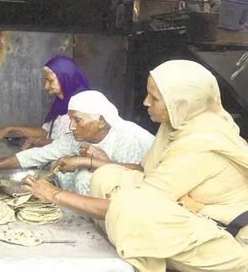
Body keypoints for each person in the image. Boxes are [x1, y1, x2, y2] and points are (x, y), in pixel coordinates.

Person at [21, 60, 248, 271]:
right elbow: (143, 172)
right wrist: (87, 162)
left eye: (154, 98)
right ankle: (129, 242)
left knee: (131, 207)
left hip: (228, 239)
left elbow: (140, 204)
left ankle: (143, 253)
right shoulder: (176, 125)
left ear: (181, 103)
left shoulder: (201, 143)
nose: (145, 102)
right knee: (107, 175)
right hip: (191, 214)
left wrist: (56, 195)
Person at [0, 90, 154, 196]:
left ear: (100, 120)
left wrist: (85, 162)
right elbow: (32, 156)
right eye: (70, 120)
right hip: (78, 218)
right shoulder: (73, 141)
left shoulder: (127, 140)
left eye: (78, 120)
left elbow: (140, 176)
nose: (72, 127)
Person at [0, 55, 90, 149]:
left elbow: (74, 146)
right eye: (45, 80)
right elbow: (45, 131)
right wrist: (10, 129)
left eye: (50, 81)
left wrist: (38, 141)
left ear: (66, 79)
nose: (46, 86)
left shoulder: (83, 106)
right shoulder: (61, 102)